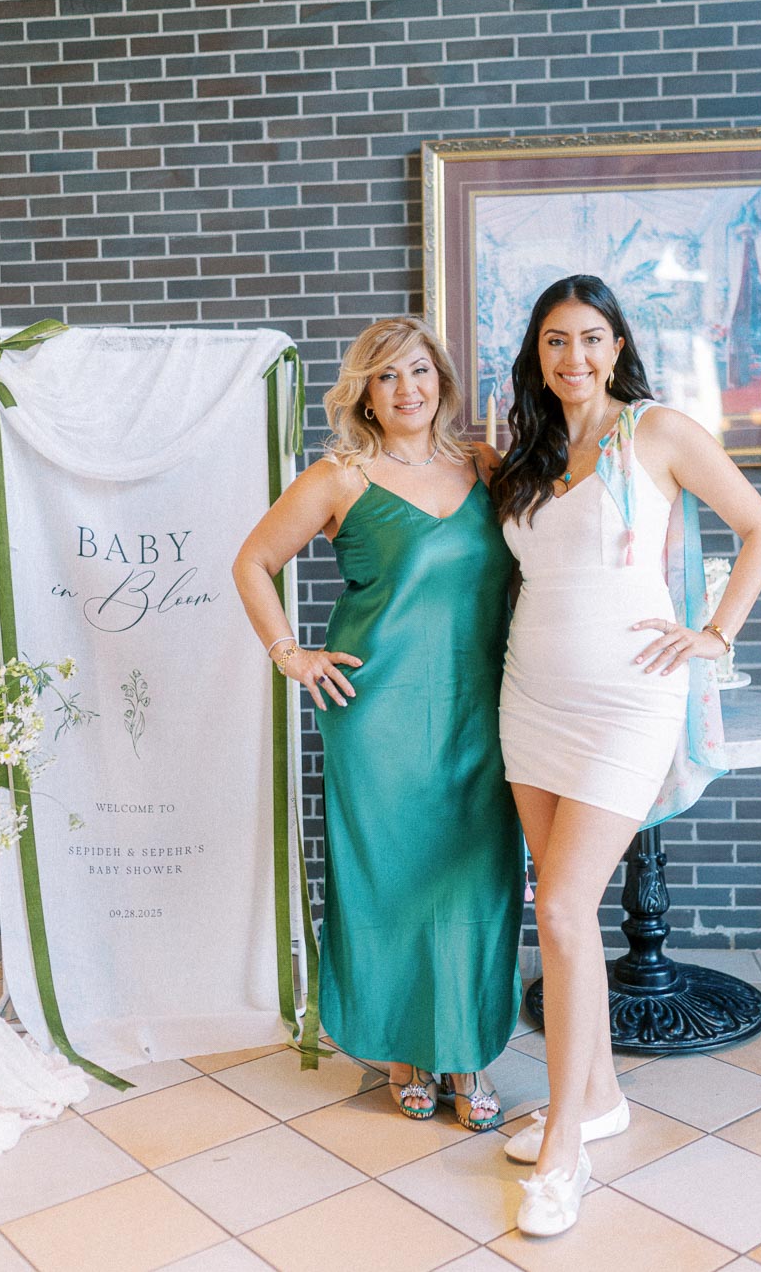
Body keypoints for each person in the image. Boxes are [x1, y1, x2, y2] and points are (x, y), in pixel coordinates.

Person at [492, 275, 761, 1237]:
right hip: (531, 695)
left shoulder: (656, 431)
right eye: (553, 343)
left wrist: (717, 633)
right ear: (536, 355)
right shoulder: (527, 451)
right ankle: (604, 1095)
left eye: (589, 339)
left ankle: (568, 1148)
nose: (572, 359)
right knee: (559, 904)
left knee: (566, 908)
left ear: (617, 345)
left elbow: (759, 528)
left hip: (627, 700)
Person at [232, 317, 524, 1129]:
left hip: (485, 710)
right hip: (378, 719)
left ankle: (465, 1054)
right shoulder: (340, 477)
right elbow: (251, 562)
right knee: (390, 887)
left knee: (474, 884)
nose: (408, 389)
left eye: (422, 371)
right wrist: (293, 654)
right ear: (365, 388)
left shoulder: (486, 466)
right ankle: (402, 1053)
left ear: (444, 381)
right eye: (389, 375)